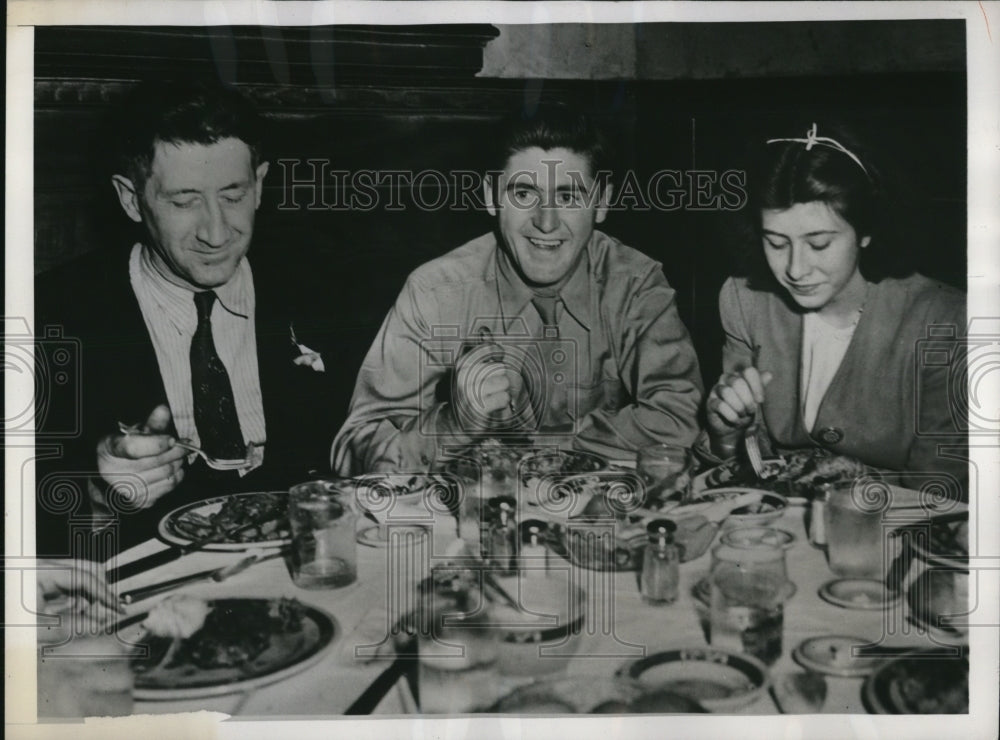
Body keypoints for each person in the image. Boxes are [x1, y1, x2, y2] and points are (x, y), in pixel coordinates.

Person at [35, 79, 340, 555]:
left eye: (233, 196)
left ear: (260, 184)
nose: (216, 233)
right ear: (131, 199)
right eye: (184, 201)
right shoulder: (53, 315)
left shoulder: (330, 291)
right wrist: (98, 493)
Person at [332, 105, 703, 474]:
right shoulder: (435, 291)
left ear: (601, 203)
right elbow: (353, 447)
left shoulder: (635, 285)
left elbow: (677, 419)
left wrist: (545, 449)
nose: (546, 222)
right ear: (491, 196)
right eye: (524, 194)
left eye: (568, 197)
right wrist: (454, 426)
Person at [705, 123, 967, 496]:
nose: (796, 270)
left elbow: (939, 491)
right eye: (776, 243)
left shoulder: (944, 320)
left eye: (819, 244)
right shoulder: (745, 301)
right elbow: (746, 470)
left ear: (866, 231)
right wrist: (727, 435)